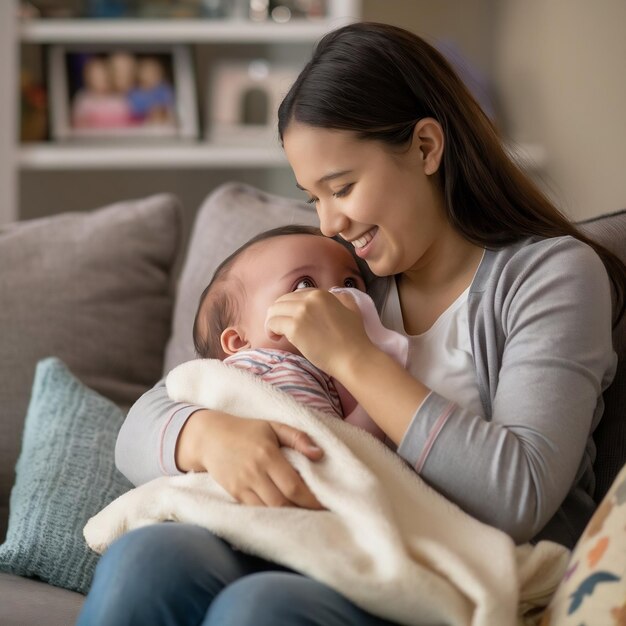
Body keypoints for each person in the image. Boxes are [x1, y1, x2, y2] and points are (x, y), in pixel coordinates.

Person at [78, 21, 625, 626]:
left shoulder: (548, 276)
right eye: (313, 196)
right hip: (309, 541)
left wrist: (355, 361)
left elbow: (518, 494)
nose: (329, 223)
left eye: (341, 188)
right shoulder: (341, 273)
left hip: (447, 572)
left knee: (259, 608)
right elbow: (147, 422)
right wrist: (210, 437)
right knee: (145, 559)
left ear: (424, 148)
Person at [192, 223, 394, 439]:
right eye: (304, 284)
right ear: (239, 341)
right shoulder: (271, 369)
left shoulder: (324, 374)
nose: (335, 296)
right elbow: (340, 443)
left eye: (349, 284)